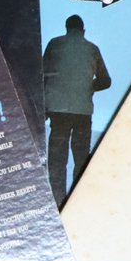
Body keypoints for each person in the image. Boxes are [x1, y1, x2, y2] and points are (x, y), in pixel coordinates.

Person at [42, 15, 111, 201]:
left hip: (58, 111)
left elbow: (43, 75)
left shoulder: (54, 44)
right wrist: (89, 87)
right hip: (82, 112)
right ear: (83, 30)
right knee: (81, 160)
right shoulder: (92, 49)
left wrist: (44, 106)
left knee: (57, 161)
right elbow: (106, 81)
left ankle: (58, 201)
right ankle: (77, 200)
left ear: (66, 28)